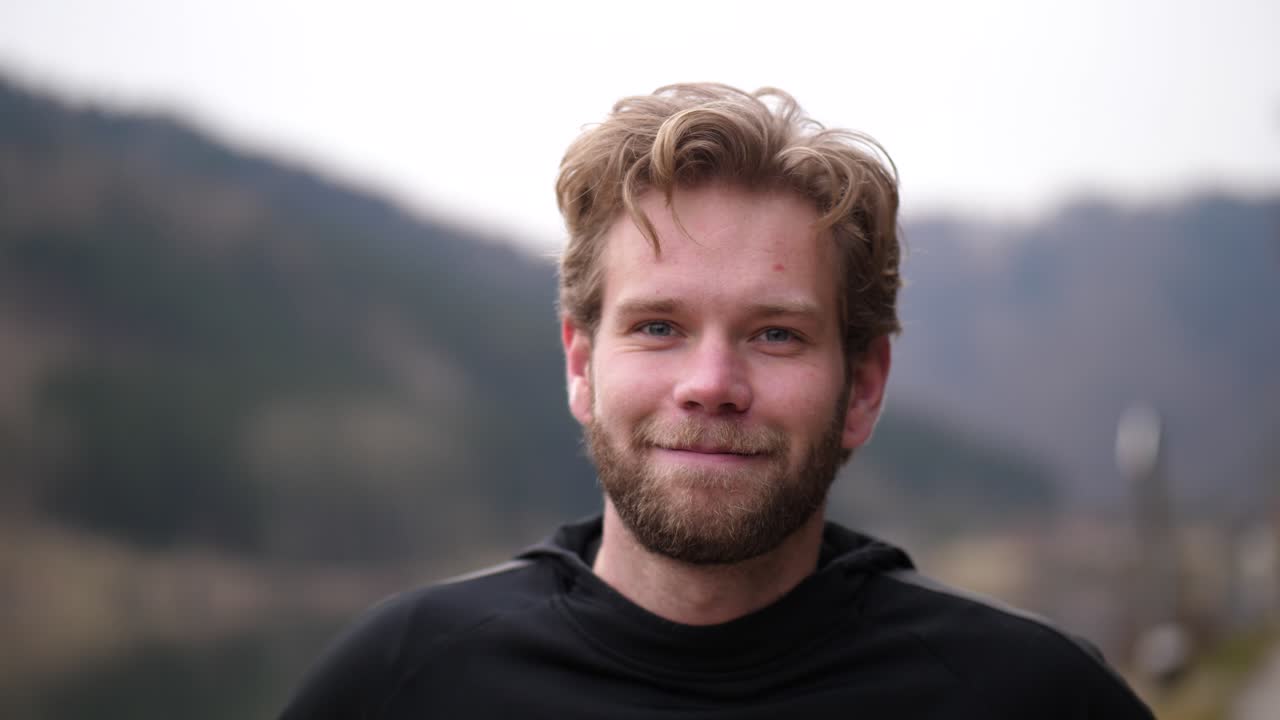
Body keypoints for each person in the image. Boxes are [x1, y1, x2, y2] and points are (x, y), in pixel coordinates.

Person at [278, 84, 1153, 719]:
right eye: (658, 326)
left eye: (776, 334)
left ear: (864, 387)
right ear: (580, 364)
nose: (710, 384)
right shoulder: (402, 685)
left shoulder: (1033, 699)